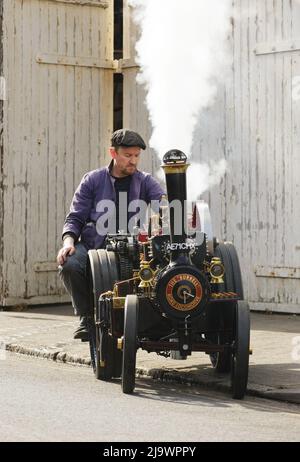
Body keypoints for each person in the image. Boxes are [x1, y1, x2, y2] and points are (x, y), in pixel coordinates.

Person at [56, 129, 165, 340]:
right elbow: (75, 218)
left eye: (136, 156)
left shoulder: (145, 181)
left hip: (133, 249)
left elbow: (162, 204)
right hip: (94, 247)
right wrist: (68, 242)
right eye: (128, 155)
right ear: (113, 153)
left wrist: (174, 214)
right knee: (69, 264)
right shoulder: (92, 180)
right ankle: (87, 318)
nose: (133, 161)